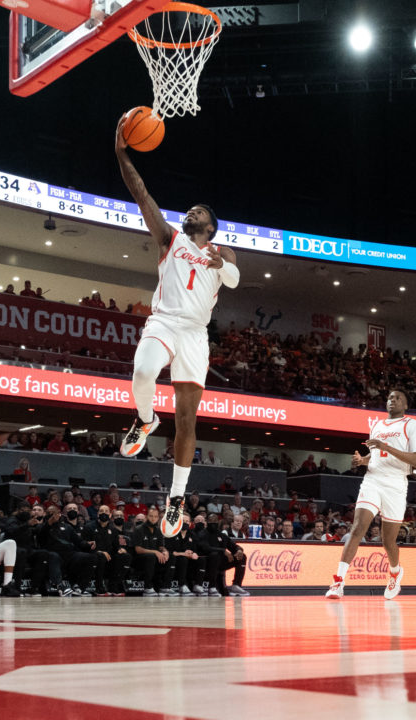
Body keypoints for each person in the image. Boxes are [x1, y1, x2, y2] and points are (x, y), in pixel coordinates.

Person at [115, 116, 239, 539]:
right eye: (190, 210)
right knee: (143, 371)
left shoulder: (223, 253)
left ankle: (176, 498)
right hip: (165, 321)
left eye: (198, 212)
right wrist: (121, 153)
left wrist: (221, 264)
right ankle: (145, 419)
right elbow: (141, 193)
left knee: (187, 420)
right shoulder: (170, 239)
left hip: (195, 335)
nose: (190, 212)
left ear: (210, 227)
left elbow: (235, 280)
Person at [325, 389, 416, 601]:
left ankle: (395, 572)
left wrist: (385, 446)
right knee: (357, 528)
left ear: (406, 405)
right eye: (390, 398)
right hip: (373, 479)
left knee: (388, 542)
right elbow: (376, 455)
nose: (392, 400)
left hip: (396, 483)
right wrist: (362, 461)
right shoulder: (377, 425)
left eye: (397, 398)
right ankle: (338, 582)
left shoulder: (412, 425)